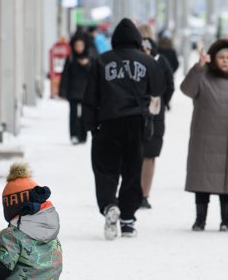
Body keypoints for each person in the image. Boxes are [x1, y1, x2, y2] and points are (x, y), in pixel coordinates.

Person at [82, 17, 163, 239]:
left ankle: (109, 205)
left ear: (115, 40)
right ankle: (128, 219)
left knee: (105, 169)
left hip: (107, 123)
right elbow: (157, 93)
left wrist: (90, 126)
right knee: (132, 171)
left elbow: (89, 97)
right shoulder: (147, 63)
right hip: (136, 125)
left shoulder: (101, 61)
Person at [180, 39, 228, 231]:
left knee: (227, 181)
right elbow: (186, 89)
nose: (225, 61)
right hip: (205, 139)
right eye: (221, 57)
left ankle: (226, 220)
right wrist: (199, 66)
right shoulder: (202, 77)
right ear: (214, 59)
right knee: (202, 181)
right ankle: (200, 220)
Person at [138, 34, 175, 209]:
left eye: (147, 48)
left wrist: (162, 102)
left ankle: (144, 194)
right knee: (135, 155)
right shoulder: (132, 64)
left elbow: (170, 85)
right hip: (136, 114)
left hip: (154, 116)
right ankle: (133, 192)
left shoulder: (161, 63)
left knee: (150, 155)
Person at [59, 35, 92, 144]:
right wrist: (63, 90)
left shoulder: (90, 57)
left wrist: (86, 65)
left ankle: (83, 135)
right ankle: (74, 135)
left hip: (86, 92)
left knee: (84, 115)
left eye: (81, 45)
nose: (79, 48)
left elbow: (93, 75)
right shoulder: (71, 58)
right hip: (73, 91)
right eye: (77, 45)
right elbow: (65, 75)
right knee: (73, 114)